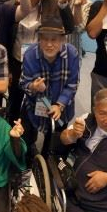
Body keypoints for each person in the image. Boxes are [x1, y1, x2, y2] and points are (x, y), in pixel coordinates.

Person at [11, 0, 75, 121]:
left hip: (38, 62)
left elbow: (68, 27)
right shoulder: (13, 4)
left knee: (38, 101)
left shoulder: (52, 5)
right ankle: (12, 136)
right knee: (15, 99)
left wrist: (63, 4)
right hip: (16, 58)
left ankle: (31, 138)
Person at [19, 17, 80, 154]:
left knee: (54, 145)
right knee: (25, 140)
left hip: (60, 107)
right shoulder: (29, 54)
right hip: (34, 103)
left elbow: (72, 84)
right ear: (39, 39)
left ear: (62, 40)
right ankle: (29, 157)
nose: (49, 44)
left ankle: (47, 159)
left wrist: (59, 105)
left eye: (54, 40)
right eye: (45, 39)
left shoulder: (72, 54)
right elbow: (23, 83)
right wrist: (33, 87)